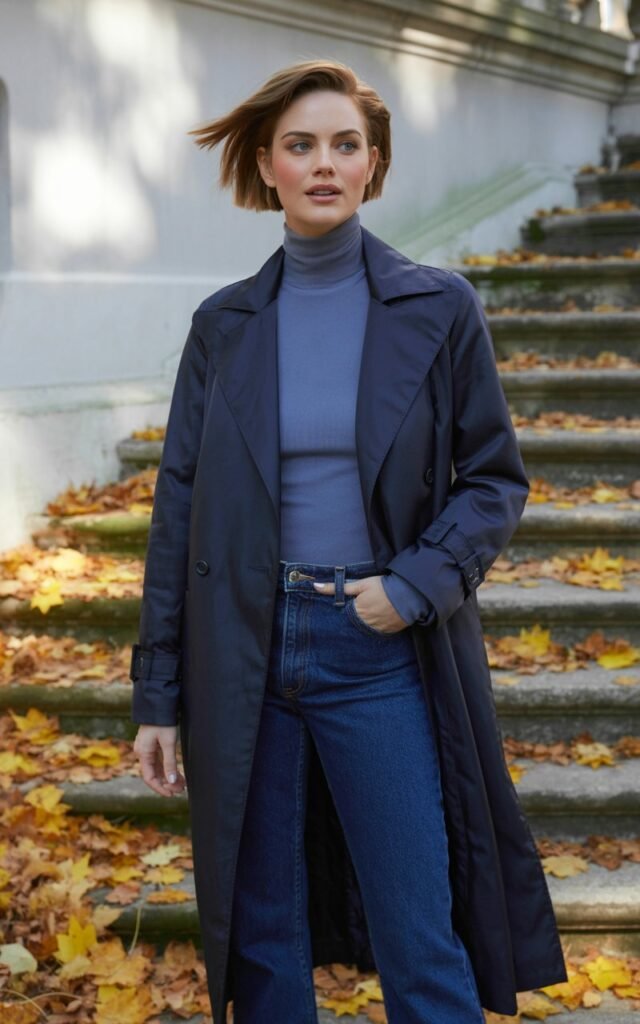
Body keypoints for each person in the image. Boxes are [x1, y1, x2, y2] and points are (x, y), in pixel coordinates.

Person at [130, 59, 567, 1024]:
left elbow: (494, 479)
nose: (323, 164)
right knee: (265, 937)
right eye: (300, 145)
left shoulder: (439, 308)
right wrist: (157, 690)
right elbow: (180, 505)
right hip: (240, 645)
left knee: (421, 927)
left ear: (373, 166)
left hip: (377, 647)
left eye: (345, 145)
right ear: (266, 165)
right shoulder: (225, 325)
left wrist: (412, 585)